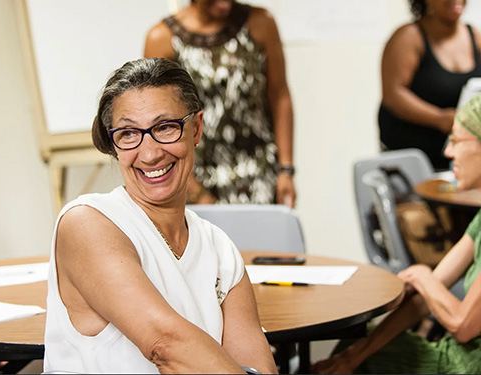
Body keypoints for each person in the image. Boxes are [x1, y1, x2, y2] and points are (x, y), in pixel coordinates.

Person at [42, 58, 276, 374]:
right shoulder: (87, 222)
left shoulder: (219, 248)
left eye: (165, 127)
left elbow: (255, 366)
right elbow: (165, 345)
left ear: (196, 128)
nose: (150, 153)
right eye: (128, 134)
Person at [312, 94, 481, 374]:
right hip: (459, 354)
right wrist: (351, 358)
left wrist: (423, 277)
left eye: (456, 141)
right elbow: (424, 297)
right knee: (355, 344)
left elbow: (462, 325)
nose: (448, 152)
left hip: (469, 365)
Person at [144, 0, 295, 206]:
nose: (225, 4)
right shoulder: (162, 39)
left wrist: (286, 170)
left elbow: (279, 96)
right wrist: (193, 189)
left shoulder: (260, 24)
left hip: (260, 172)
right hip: (198, 178)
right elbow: (157, 124)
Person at [378, 0, 481, 171]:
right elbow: (393, 93)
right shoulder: (408, 37)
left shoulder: (474, 35)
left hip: (458, 161)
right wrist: (440, 118)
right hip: (413, 160)